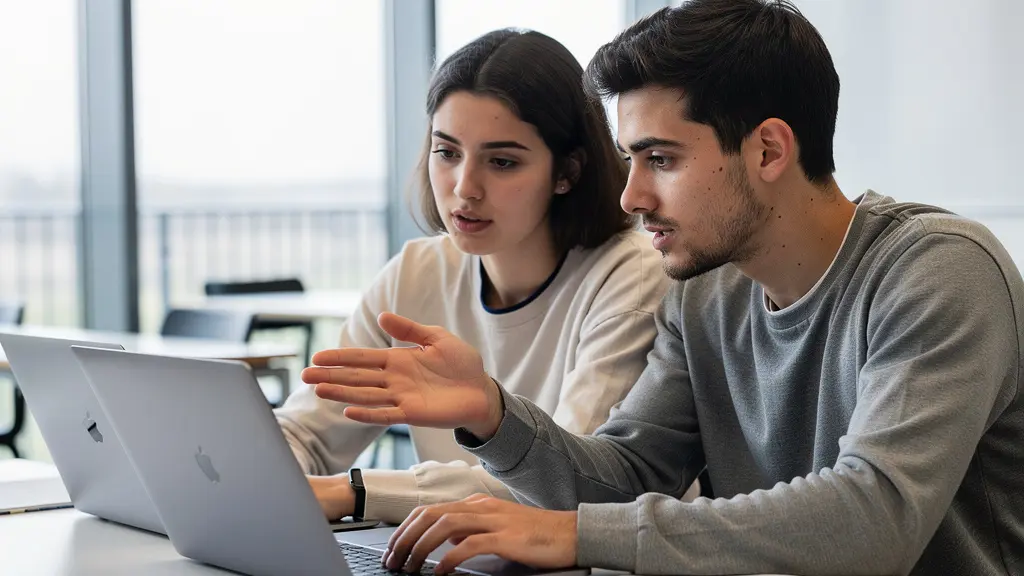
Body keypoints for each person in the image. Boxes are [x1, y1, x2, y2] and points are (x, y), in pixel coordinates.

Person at [303, 1, 1024, 575]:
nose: (630, 195)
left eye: (659, 159)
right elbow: (626, 473)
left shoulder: (939, 271)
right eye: (627, 158)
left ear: (768, 149)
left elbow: (875, 519)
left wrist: (577, 535)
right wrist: (495, 417)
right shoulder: (705, 293)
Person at [277, 28, 670, 526]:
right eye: (447, 152)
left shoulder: (629, 277)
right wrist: (262, 476)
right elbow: (308, 432)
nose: (465, 188)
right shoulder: (415, 273)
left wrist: (351, 492)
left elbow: (567, 483)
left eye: (502, 162)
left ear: (567, 172)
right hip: (451, 548)